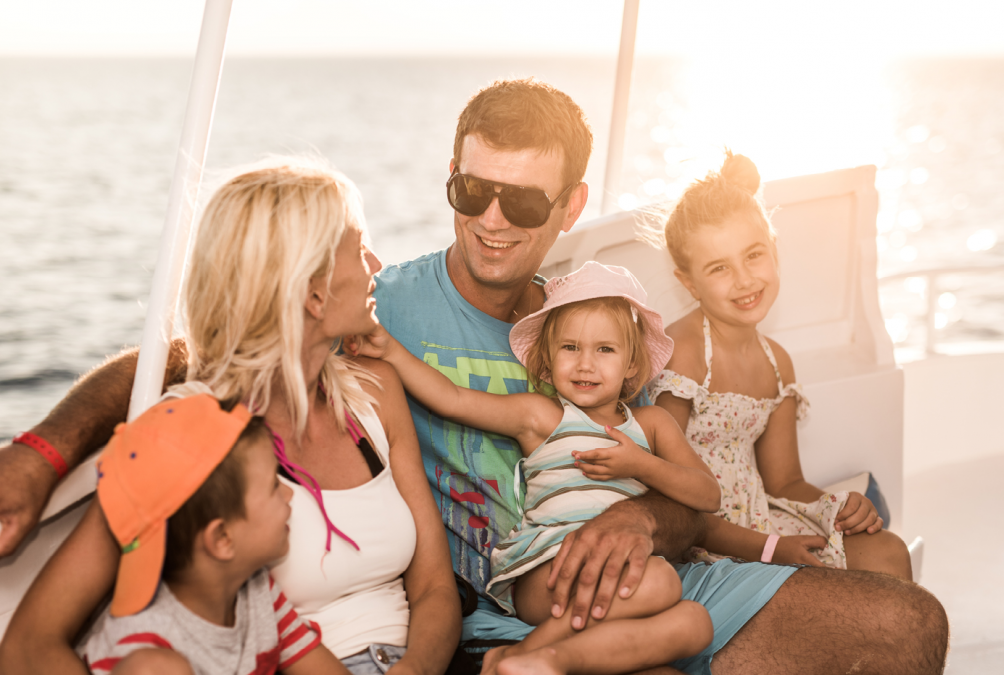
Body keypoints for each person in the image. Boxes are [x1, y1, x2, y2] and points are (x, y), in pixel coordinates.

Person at [0, 79, 948, 674]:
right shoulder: (387, 312)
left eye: (523, 199)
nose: (491, 218)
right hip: (506, 619)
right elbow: (199, 362)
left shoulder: (593, 318)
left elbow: (676, 476)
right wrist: (44, 451)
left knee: (907, 629)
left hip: (649, 579)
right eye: (469, 190)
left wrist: (637, 518)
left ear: (571, 204)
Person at [0, 159, 460, 675]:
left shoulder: (375, 392)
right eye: (358, 247)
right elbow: (28, 646)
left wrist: (415, 670)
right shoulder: (190, 436)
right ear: (313, 293)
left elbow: (436, 588)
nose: (376, 263)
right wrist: (43, 452)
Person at [358, 261, 726, 674]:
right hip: (547, 570)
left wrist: (641, 464)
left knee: (696, 624)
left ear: (633, 367)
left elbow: (707, 495)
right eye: (571, 347)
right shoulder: (543, 416)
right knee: (662, 582)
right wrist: (389, 349)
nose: (586, 364)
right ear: (547, 363)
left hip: (621, 577)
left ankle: (538, 661)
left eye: (605, 349)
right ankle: (529, 654)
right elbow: (452, 398)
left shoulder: (653, 425)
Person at [648, 151, 914, 580]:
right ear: (688, 282)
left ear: (773, 247)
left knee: (888, 553)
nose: (744, 279)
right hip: (702, 537)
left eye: (754, 255)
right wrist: (771, 548)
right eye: (719, 268)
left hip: (761, 517)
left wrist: (840, 504)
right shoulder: (684, 353)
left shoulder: (777, 364)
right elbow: (666, 491)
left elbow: (785, 482)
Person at [82, 394, 347, 675]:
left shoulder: (257, 591)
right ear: (222, 538)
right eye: (273, 485)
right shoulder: (151, 661)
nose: (289, 493)